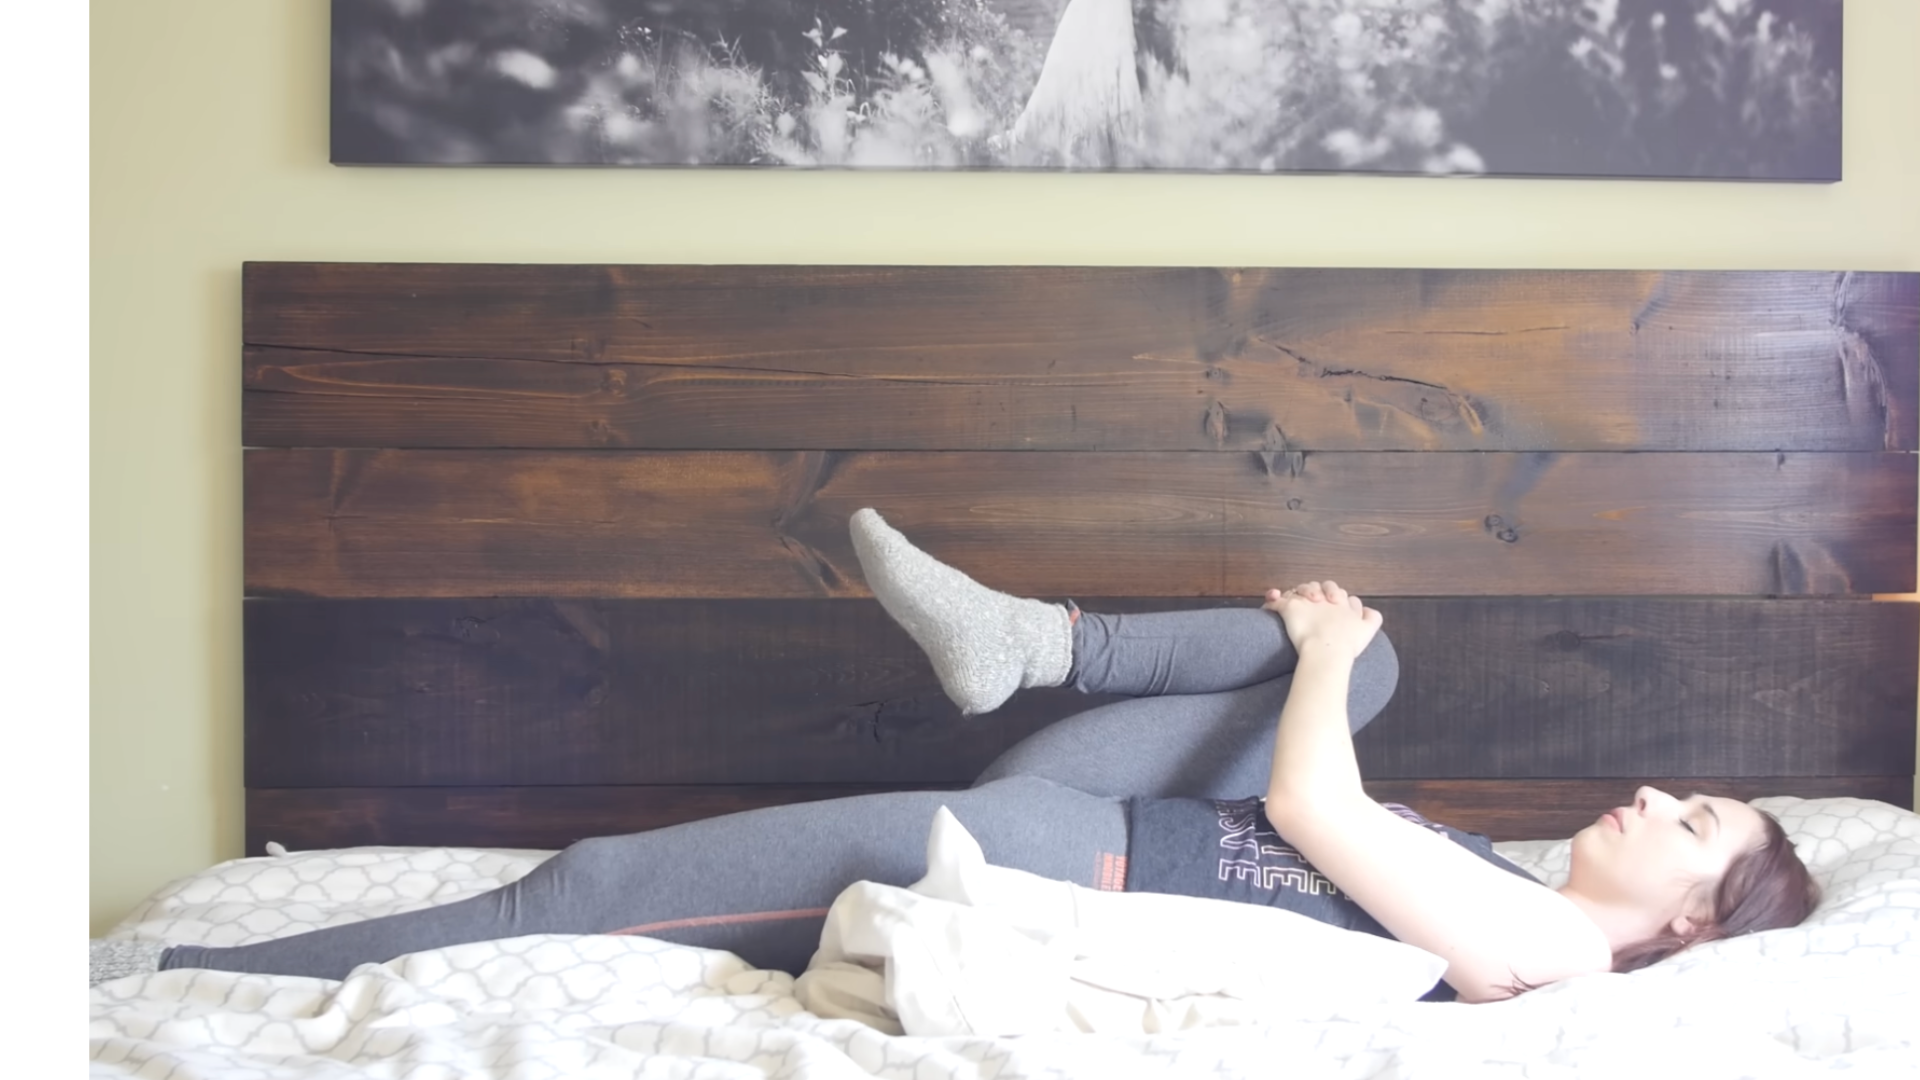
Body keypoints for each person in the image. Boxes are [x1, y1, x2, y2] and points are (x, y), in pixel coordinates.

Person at [90, 509, 1819, 1002]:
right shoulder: (1518, 887)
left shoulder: (1549, 954)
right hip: (1099, 811)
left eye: (1696, 823)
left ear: (1693, 917)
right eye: (1679, 787)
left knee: (591, 892)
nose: (1656, 801)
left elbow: (1305, 806)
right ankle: (1036, 644)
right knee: (1371, 670)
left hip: (1055, 867)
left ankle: (181, 975)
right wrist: (1339, 664)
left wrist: (1324, 654)